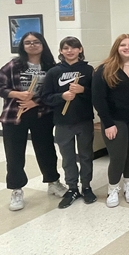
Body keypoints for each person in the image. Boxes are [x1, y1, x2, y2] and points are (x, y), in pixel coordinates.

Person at [0, 32, 68, 211]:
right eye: (28, 43)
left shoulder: (51, 66)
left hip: (41, 113)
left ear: (42, 44)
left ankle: (53, 181)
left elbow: (54, 93)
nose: (32, 45)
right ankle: (16, 189)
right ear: (23, 46)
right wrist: (18, 94)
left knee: (46, 150)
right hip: (14, 115)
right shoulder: (13, 65)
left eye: (36, 42)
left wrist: (34, 101)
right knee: (14, 154)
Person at [41, 36, 96, 208]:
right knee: (68, 157)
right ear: (60, 51)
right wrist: (61, 96)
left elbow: (97, 95)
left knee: (86, 155)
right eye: (65, 48)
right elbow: (45, 97)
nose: (69, 51)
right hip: (63, 121)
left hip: (84, 120)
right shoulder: (54, 72)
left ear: (80, 49)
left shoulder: (88, 70)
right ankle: (72, 188)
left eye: (73, 47)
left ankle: (86, 186)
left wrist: (83, 90)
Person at [92, 34, 129, 208]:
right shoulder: (104, 69)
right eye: (123, 45)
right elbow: (99, 99)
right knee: (117, 156)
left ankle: (128, 185)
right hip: (114, 120)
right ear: (117, 47)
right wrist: (107, 123)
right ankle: (113, 188)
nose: (127, 48)